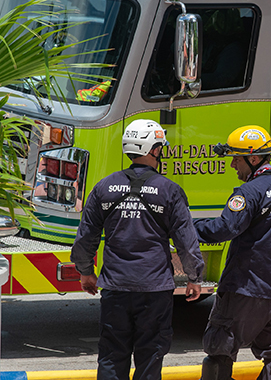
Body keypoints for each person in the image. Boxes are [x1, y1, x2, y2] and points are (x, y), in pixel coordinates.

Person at [71, 119, 204, 380]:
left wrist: (85, 272)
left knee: (111, 355)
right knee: (151, 356)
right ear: (154, 149)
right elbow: (186, 242)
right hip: (154, 290)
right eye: (160, 147)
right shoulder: (170, 190)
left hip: (115, 287)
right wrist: (194, 277)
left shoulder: (104, 187)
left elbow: (86, 238)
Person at [195, 125, 271, 380]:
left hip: (245, 289)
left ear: (253, 158)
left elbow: (226, 228)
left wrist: (187, 228)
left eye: (236, 158)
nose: (233, 164)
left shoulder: (248, 192)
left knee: (219, 352)